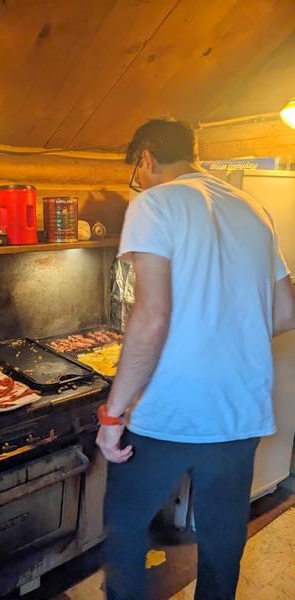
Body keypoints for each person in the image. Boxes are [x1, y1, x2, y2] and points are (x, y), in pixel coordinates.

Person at [96, 118, 295, 600]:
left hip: (167, 413)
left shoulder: (154, 202)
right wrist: (220, 335)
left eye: (136, 172)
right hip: (238, 413)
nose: (138, 182)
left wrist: (112, 414)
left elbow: (150, 318)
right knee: (223, 539)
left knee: (125, 528)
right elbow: (287, 310)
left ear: (147, 158)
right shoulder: (253, 208)